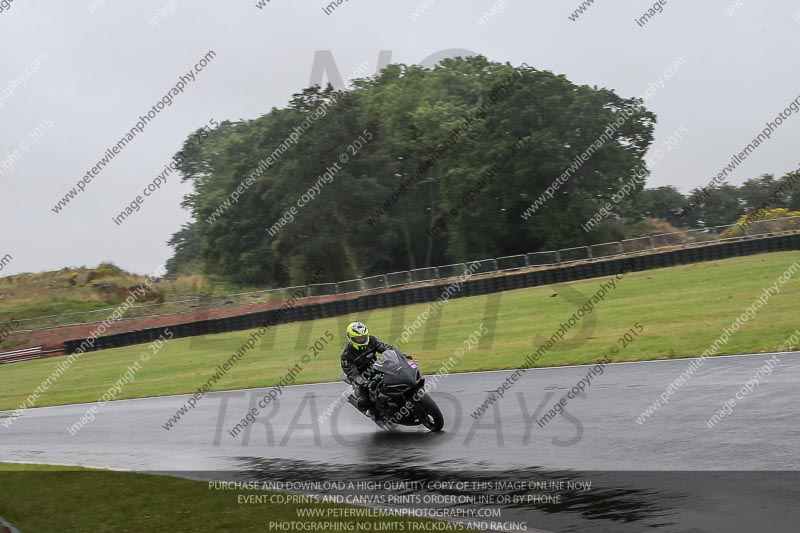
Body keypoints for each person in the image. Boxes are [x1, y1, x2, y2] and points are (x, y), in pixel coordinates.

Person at [340, 321, 402, 418]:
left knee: (397, 375)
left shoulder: (372, 340)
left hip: (376, 367)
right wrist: (362, 381)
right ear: (351, 339)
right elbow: (352, 372)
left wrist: (395, 353)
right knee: (363, 401)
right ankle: (374, 413)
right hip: (361, 376)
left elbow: (383, 347)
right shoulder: (346, 354)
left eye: (364, 337)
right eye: (359, 339)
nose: (362, 340)